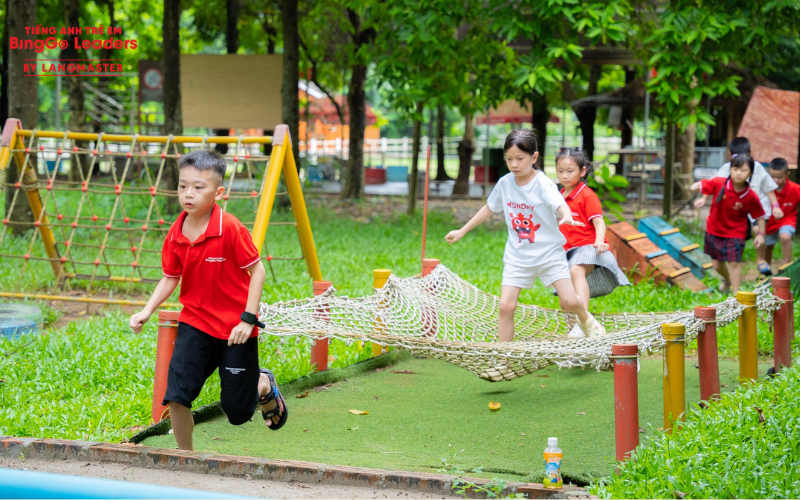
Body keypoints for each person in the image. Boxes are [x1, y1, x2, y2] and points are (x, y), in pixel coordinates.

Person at [129, 149, 287, 451]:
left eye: (198, 187)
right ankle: (185, 459)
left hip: (235, 329)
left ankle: (262, 383)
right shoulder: (175, 233)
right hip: (195, 323)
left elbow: (258, 271)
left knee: (238, 412)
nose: (188, 194)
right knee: (176, 395)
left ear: (218, 192)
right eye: (182, 186)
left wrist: (248, 318)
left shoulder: (229, 228)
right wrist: (147, 311)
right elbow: (170, 276)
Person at [444, 129, 607, 341]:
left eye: (520, 159)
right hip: (518, 255)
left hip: (549, 254)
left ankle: (586, 319)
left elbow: (560, 205)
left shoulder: (543, 184)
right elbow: (490, 208)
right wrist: (462, 230)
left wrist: (566, 215)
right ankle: (505, 358)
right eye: (509, 159)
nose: (514, 164)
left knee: (568, 302)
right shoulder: (505, 183)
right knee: (505, 306)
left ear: (534, 157)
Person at [555, 147, 630, 338]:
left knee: (576, 271)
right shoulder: (558, 196)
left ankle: (583, 322)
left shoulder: (587, 195)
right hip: (568, 250)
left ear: (582, 171)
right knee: (564, 290)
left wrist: (599, 241)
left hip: (588, 247)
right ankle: (574, 326)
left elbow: (599, 222)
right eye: (560, 171)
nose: (564, 175)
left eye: (570, 171)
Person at [695, 137, 783, 276]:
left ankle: (760, 259)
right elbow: (713, 184)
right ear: (731, 157)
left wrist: (776, 206)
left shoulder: (757, 167)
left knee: (757, 228)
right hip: (736, 210)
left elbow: (768, 188)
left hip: (756, 205)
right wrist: (703, 198)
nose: (739, 172)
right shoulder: (728, 167)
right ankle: (728, 273)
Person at [691, 153, 766, 294]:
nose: (739, 173)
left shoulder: (750, 196)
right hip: (714, 230)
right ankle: (727, 280)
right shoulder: (720, 183)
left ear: (750, 173)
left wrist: (761, 234)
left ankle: (737, 297)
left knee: (734, 263)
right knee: (717, 265)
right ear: (730, 169)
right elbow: (705, 184)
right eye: (735, 169)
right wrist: (696, 186)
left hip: (736, 233)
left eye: (744, 170)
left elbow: (760, 216)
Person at [764, 157, 799, 268]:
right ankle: (765, 270)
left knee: (785, 236)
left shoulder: (795, 189)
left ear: (787, 175)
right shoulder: (766, 190)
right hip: (770, 222)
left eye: (779, 177)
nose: (775, 180)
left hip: (787, 219)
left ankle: (786, 266)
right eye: (772, 177)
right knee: (767, 246)